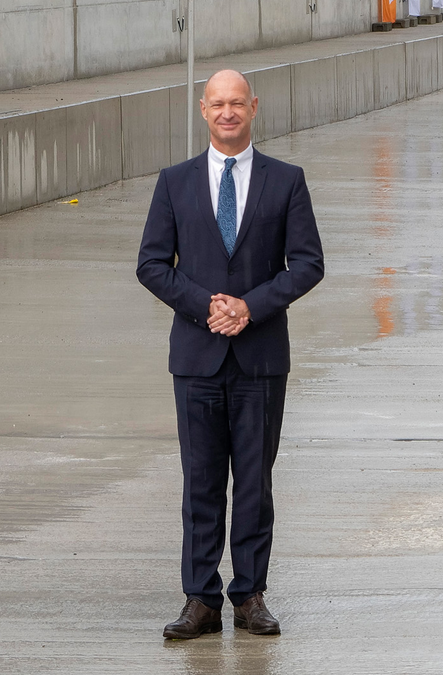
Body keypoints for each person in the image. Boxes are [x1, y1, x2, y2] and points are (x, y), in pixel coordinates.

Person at [136, 69, 325, 640]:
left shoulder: (286, 181)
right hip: (196, 358)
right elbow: (150, 264)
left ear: (253, 107)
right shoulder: (174, 182)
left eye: (236, 103)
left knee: (253, 482)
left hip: (260, 359)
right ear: (202, 110)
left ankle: (250, 596)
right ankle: (200, 599)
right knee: (200, 481)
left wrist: (249, 307)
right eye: (217, 104)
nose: (227, 112)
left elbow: (308, 263)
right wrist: (205, 307)